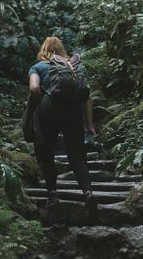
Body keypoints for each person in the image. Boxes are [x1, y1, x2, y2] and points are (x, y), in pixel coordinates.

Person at [26, 35, 96, 206]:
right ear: (61, 51)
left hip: (49, 107)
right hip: (73, 109)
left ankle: (52, 196)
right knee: (77, 157)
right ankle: (88, 193)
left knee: (47, 152)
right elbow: (87, 97)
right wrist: (89, 125)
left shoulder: (38, 67)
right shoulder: (73, 68)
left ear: (43, 50)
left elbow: (34, 89)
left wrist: (37, 105)